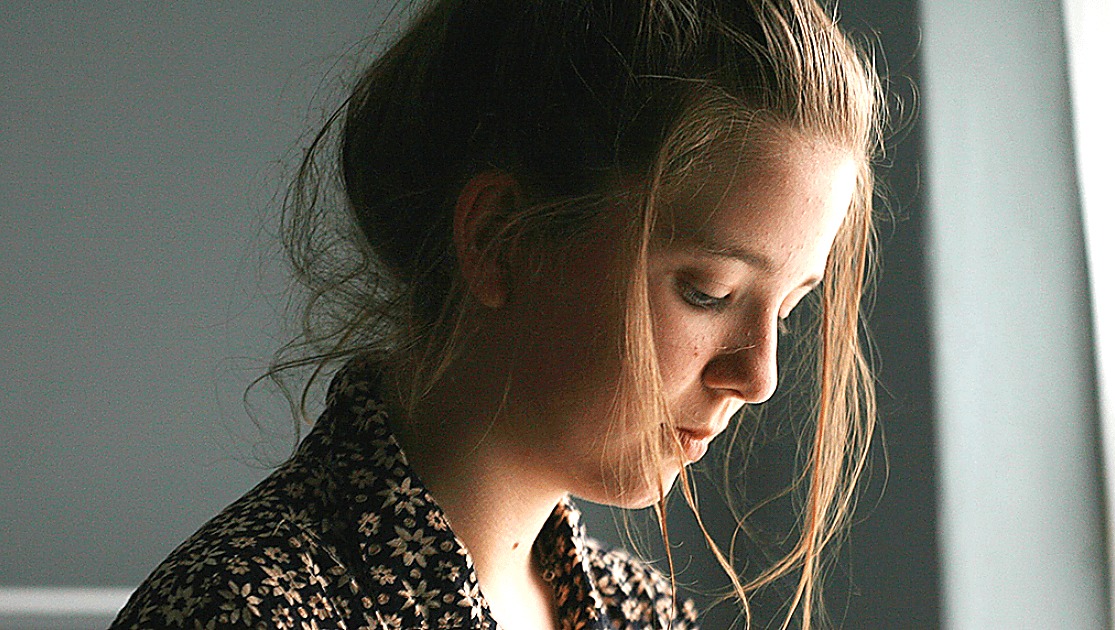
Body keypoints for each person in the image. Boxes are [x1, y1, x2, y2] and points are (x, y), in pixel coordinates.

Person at [110, 0, 880, 628]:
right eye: (708, 291)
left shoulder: (644, 614)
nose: (758, 376)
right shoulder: (245, 611)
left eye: (788, 309)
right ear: (499, 239)